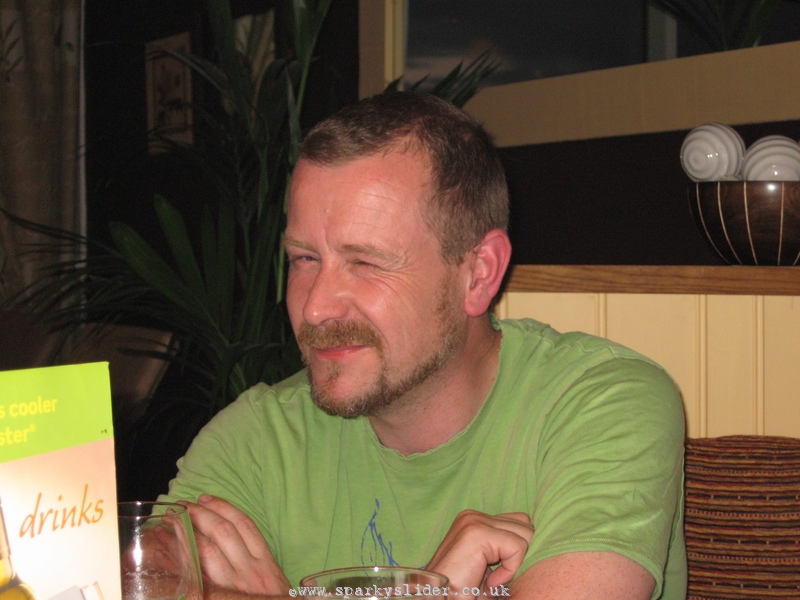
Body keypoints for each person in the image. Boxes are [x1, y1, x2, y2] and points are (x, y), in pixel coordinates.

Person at [160, 91, 686, 600]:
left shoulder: (604, 404)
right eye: (304, 259)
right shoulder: (258, 438)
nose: (315, 308)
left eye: (365, 263)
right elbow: (139, 578)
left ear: (478, 274)